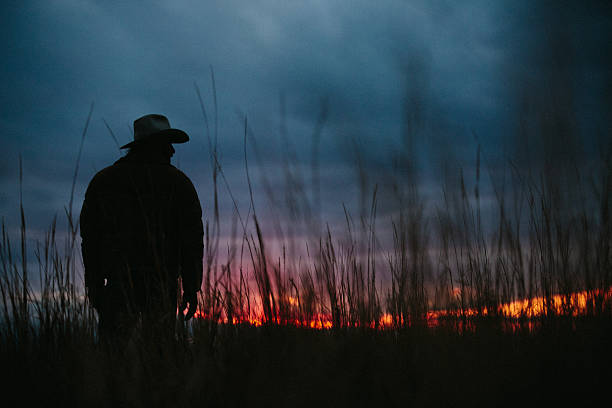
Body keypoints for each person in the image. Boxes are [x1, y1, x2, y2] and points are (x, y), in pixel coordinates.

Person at [80, 114, 203, 345]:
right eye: (168, 144)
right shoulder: (179, 184)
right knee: (158, 357)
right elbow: (192, 241)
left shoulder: (103, 181)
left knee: (114, 357)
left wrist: (94, 284)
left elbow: (90, 239)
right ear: (155, 146)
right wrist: (191, 287)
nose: (172, 151)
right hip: (160, 286)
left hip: (117, 285)